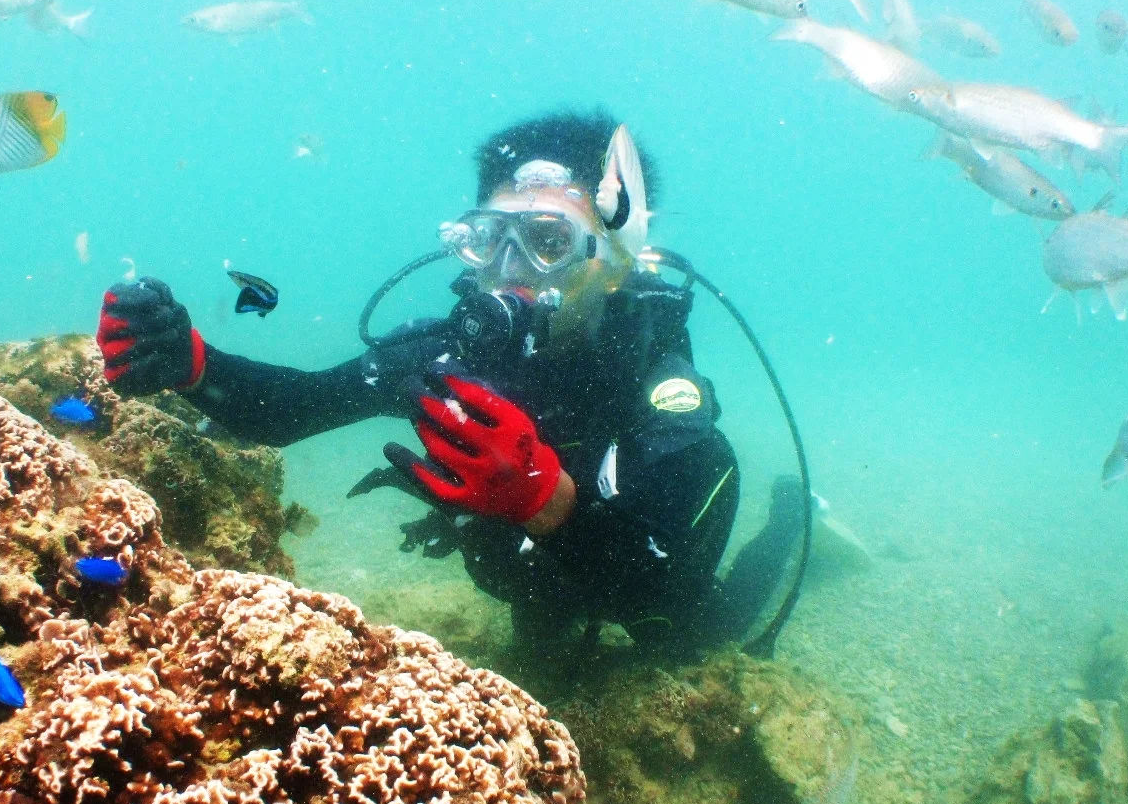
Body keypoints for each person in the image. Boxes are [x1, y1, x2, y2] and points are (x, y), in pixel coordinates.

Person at [96, 110, 798, 658]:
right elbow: (291, 411)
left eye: (548, 241)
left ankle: (796, 523)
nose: (512, 267)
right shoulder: (449, 356)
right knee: (544, 636)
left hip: (644, 574)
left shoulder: (653, 376)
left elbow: (662, 575)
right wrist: (191, 363)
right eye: (490, 238)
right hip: (531, 573)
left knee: (692, 635)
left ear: (613, 261)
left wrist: (550, 504)